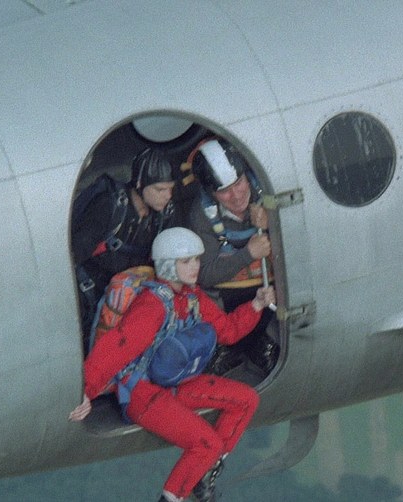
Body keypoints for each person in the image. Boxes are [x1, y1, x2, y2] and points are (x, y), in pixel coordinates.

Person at [69, 227, 275, 502]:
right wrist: (87, 391)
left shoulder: (192, 298)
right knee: (206, 443)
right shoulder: (152, 305)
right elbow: (118, 347)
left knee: (246, 400)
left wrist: (256, 305)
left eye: (196, 259)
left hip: (175, 382)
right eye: (186, 261)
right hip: (142, 392)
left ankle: (203, 474)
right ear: (167, 265)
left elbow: (227, 331)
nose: (195, 267)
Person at [186, 139, 277, 375]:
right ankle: (230, 347)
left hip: (271, 288)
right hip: (229, 297)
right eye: (224, 191)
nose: (236, 196)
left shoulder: (267, 189)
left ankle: (265, 340)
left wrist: (274, 223)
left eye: (239, 183)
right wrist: (248, 254)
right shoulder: (202, 215)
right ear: (211, 193)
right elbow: (204, 275)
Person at [72, 148, 178, 348]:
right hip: (90, 291)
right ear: (139, 184)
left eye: (170, 189)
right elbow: (74, 254)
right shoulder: (109, 207)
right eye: (160, 190)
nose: (167, 196)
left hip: (128, 294)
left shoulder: (163, 215)